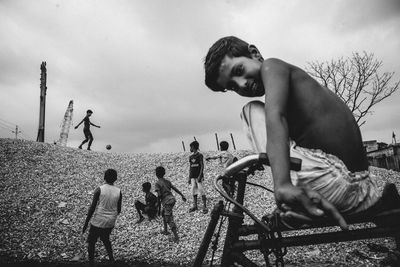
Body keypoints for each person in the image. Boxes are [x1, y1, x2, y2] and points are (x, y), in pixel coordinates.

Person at [203, 36, 399, 230]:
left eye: (239, 71)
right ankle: (296, 202)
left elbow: (275, 118)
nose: (242, 84)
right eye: (233, 86)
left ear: (255, 54)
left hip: (340, 184)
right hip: (361, 190)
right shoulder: (290, 94)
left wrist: (282, 185)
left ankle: (291, 195)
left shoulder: (272, 67)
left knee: (250, 110)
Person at [82, 169, 122, 267]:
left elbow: (92, 208)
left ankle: (91, 263)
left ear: (104, 177)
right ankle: (111, 258)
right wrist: (111, 216)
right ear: (115, 179)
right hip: (110, 221)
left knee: (91, 241)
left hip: (98, 220)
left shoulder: (99, 189)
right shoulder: (119, 191)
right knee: (105, 238)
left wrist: (86, 223)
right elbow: (119, 209)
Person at [154, 166, 186, 243]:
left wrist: (158, 207)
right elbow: (175, 188)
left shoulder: (157, 184)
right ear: (164, 173)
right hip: (172, 199)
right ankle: (165, 230)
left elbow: (159, 195)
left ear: (156, 174)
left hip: (167, 201)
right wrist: (182, 195)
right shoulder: (167, 181)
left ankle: (176, 237)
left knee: (169, 218)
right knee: (163, 213)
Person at [188, 141, 208, 214]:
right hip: (193, 176)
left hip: (198, 176)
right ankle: (195, 205)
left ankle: (205, 206)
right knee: (193, 189)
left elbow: (202, 166)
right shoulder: (191, 157)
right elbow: (190, 167)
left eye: (190, 147)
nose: (190, 148)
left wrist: (200, 175)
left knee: (201, 189)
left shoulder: (199, 155)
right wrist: (189, 177)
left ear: (193, 147)